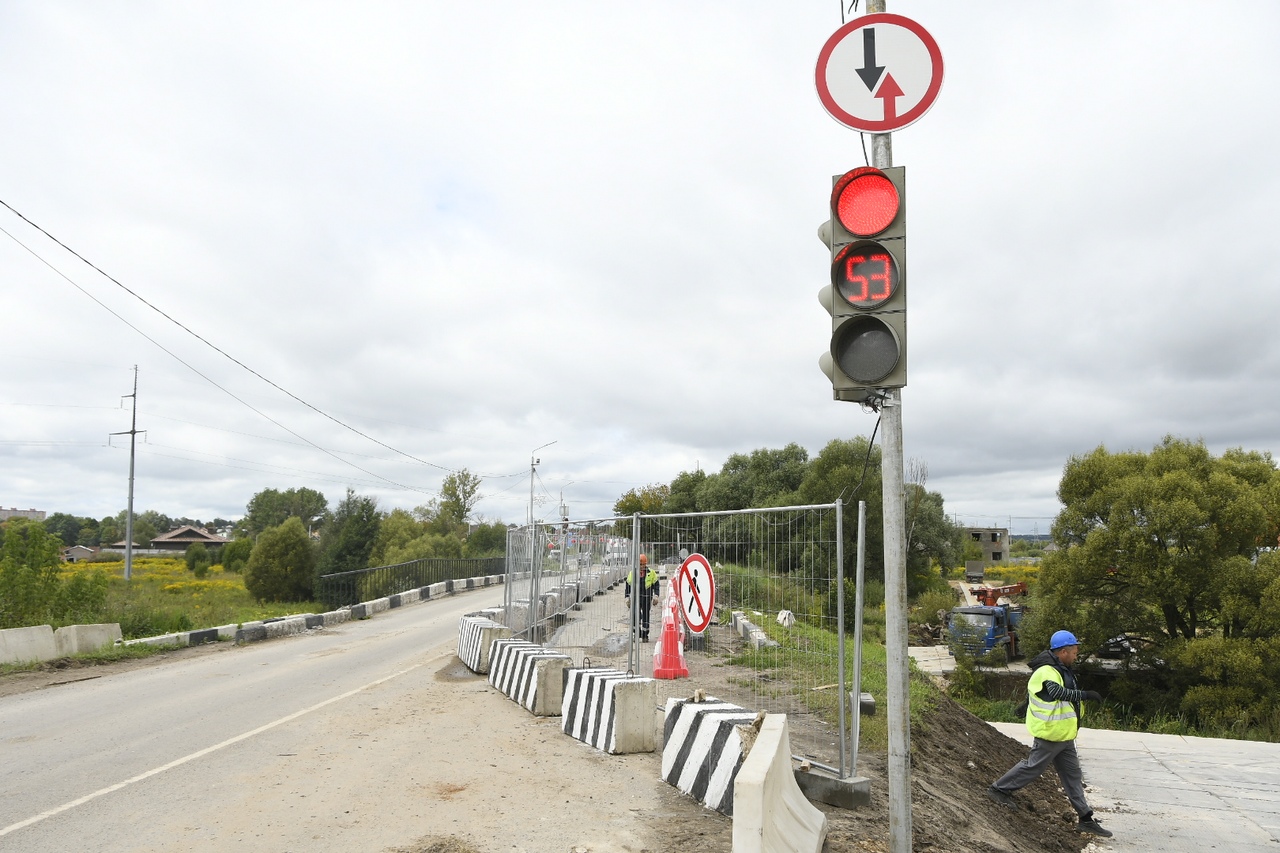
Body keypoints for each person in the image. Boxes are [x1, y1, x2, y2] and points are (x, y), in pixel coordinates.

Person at [987, 630, 1113, 839]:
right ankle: (999, 789)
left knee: (1073, 777)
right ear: (1063, 651)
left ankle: (1086, 819)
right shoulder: (1047, 670)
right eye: (1074, 652)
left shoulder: (1060, 668)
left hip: (1064, 736)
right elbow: (1055, 693)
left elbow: (1041, 694)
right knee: (1033, 767)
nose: (1075, 656)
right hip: (1050, 733)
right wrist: (1086, 695)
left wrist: (1024, 706)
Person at [624, 554, 660, 641]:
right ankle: (636, 634)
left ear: (645, 564)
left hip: (647, 598)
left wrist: (656, 596)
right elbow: (628, 586)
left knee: (645, 616)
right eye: (640, 565)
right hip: (636, 598)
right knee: (635, 615)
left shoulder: (651, 573)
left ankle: (645, 635)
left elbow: (656, 585)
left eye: (643, 564)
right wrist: (627, 597)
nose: (642, 566)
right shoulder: (632, 573)